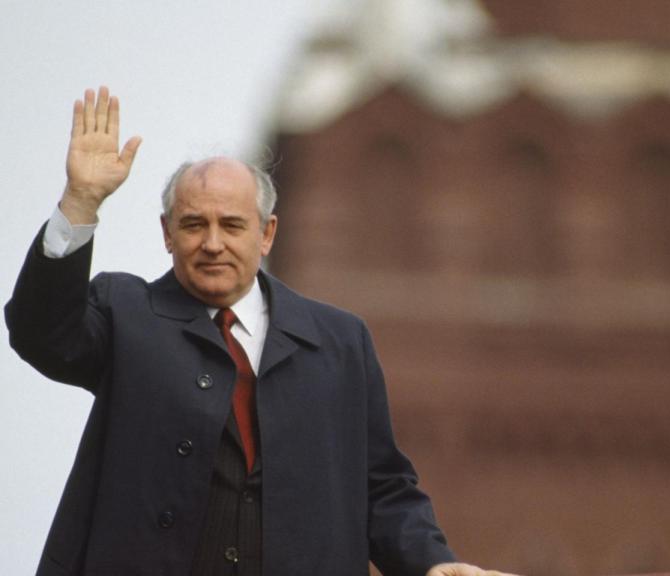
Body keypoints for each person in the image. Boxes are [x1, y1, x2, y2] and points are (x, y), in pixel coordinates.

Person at [5, 86, 516, 576]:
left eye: (231, 225)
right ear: (166, 234)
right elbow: (41, 333)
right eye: (192, 225)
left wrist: (429, 560)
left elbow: (381, 486)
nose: (211, 243)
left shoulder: (338, 342)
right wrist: (80, 202)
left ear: (267, 233)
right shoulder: (126, 312)